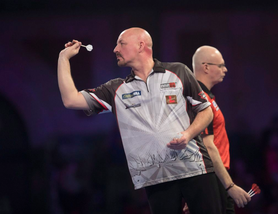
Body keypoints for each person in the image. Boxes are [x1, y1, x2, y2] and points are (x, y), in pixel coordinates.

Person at [58, 27, 221, 214]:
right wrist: (63, 58)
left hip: (196, 170)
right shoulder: (116, 89)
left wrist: (188, 134)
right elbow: (70, 100)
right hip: (156, 179)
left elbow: (206, 111)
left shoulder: (178, 71)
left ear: (140, 45)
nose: (115, 49)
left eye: (121, 43)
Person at [183, 46, 251, 214]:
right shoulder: (198, 99)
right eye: (221, 65)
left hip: (215, 177)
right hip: (210, 177)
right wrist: (230, 186)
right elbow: (207, 145)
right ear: (206, 67)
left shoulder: (207, 97)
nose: (225, 69)